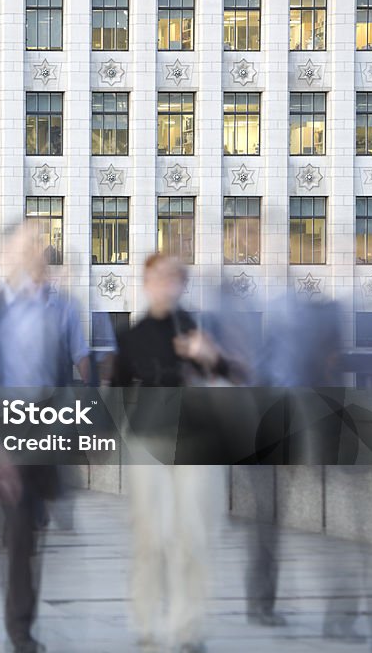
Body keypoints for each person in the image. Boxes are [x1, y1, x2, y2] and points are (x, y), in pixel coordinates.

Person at [111, 253, 239, 653]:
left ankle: (188, 627)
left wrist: (208, 356)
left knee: (193, 537)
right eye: (158, 277)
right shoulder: (132, 334)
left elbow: (233, 375)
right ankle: (146, 620)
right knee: (150, 536)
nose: (165, 285)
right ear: (147, 283)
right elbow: (117, 390)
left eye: (173, 278)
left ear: (182, 284)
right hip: (149, 441)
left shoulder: (199, 325)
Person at [0, 224, 92, 653]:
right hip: (3, 429)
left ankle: (22, 615)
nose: (38, 251)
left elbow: (81, 362)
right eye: (28, 244)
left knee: (31, 531)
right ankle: (20, 629)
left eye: (40, 245)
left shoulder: (62, 308)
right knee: (17, 534)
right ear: (7, 255)